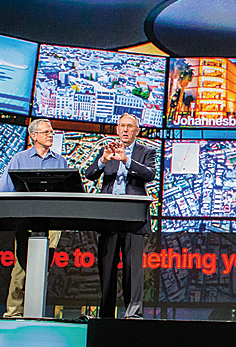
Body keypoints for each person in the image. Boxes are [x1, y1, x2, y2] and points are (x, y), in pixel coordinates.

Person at [0, 118, 68, 318]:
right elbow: (3, 189)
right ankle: (13, 312)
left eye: (51, 132)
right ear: (33, 136)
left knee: (42, 268)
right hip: (26, 220)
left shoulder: (60, 162)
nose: (51, 135)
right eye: (46, 132)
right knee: (21, 268)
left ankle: (34, 311)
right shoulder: (20, 159)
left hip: (51, 222)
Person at [84, 113, 156, 319]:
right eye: (122, 126)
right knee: (107, 268)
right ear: (117, 129)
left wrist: (127, 160)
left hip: (133, 218)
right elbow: (89, 174)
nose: (125, 130)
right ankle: (106, 314)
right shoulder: (107, 152)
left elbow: (149, 174)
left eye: (129, 126)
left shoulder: (146, 152)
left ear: (136, 131)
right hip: (109, 217)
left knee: (133, 269)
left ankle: (133, 314)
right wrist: (103, 160)